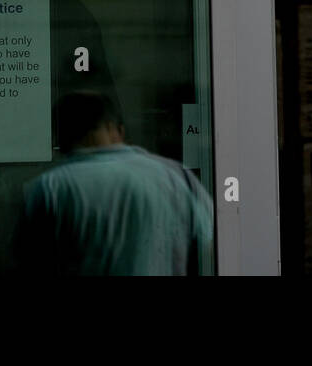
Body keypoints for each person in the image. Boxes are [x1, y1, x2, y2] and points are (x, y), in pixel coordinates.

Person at [15, 91, 213, 275]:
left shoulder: (49, 188)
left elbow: (28, 262)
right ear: (116, 130)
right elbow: (209, 245)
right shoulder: (177, 176)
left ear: (61, 135)